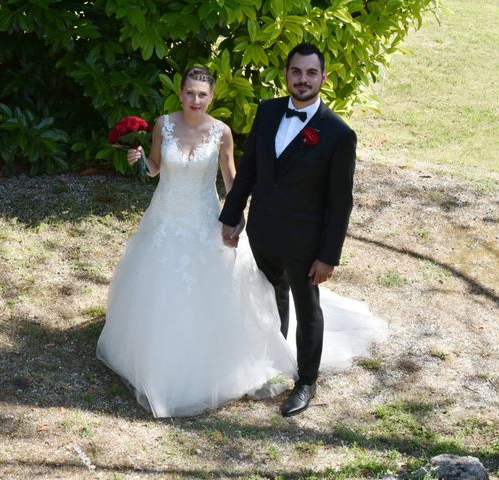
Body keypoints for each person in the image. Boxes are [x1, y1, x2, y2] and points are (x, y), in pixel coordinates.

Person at [96, 67, 297, 418]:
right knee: (158, 284)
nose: (195, 100)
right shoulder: (163, 124)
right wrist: (140, 160)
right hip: (166, 217)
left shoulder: (221, 133)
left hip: (204, 219)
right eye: (190, 93)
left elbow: (230, 177)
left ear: (212, 97)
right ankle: (157, 359)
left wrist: (238, 214)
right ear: (181, 93)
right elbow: (155, 168)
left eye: (202, 95)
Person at [219, 42, 359, 417]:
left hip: (305, 241)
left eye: (311, 73)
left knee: (307, 308)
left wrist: (329, 256)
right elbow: (248, 170)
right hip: (262, 231)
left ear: (323, 78)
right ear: (286, 74)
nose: (303, 79)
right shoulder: (266, 112)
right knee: (269, 295)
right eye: (296, 72)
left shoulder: (337, 134)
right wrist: (231, 215)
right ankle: (272, 360)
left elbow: (340, 202)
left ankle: (305, 381)